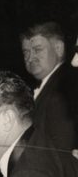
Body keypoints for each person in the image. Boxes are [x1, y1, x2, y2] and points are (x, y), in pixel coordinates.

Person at [20, 21, 76, 149]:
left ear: (58, 48)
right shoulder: (50, 85)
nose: (30, 58)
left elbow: (62, 152)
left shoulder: (64, 89)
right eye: (26, 52)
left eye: (37, 50)